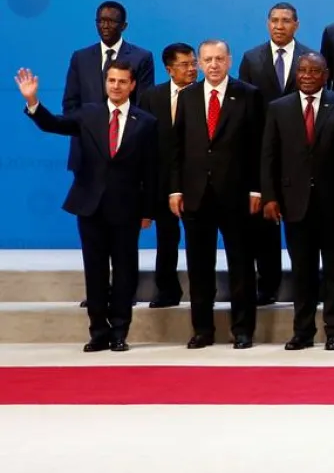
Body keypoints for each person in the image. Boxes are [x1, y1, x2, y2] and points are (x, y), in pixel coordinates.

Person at [16, 63, 156, 352]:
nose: (116, 86)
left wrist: (147, 210)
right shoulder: (88, 114)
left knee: (125, 271)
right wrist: (32, 101)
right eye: (112, 80)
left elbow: (151, 172)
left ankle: (119, 331)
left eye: (122, 81)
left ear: (132, 86)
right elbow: (54, 124)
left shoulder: (146, 122)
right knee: (95, 271)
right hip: (90, 206)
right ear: (106, 83)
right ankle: (98, 332)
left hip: (127, 209)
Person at [168, 40, 265, 349]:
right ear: (199, 62)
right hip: (196, 195)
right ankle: (202, 330)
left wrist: (256, 188)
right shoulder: (188, 97)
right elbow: (177, 148)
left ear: (229, 60)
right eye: (207, 59)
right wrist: (175, 188)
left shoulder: (248, 95)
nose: (213, 65)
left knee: (241, 266)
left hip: (237, 195)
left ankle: (243, 331)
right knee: (199, 267)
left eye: (219, 59)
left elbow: (259, 148)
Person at [260, 53, 334, 351]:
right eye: (302, 70)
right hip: (294, 204)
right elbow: (269, 157)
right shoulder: (278, 108)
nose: (306, 75)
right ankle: (302, 332)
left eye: (313, 71)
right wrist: (270, 197)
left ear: (326, 74)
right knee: (302, 273)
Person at [239, 2, 313, 306]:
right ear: (267, 23)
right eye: (274, 21)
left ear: (296, 24)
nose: (279, 26)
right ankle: (267, 283)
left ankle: (305, 285)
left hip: (301, 152)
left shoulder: (309, 58)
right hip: (262, 149)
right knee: (265, 222)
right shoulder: (251, 58)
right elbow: (243, 106)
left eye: (285, 21)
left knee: (303, 223)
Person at [135, 42, 196, 308]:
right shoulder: (152, 97)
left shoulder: (207, 94)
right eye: (185, 65)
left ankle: (202, 289)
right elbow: (144, 140)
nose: (192, 69)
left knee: (197, 239)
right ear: (169, 69)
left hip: (196, 178)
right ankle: (167, 289)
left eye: (193, 63)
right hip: (161, 179)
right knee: (166, 238)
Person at [62, 1, 155, 175]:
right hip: (87, 152)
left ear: (124, 26)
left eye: (111, 21)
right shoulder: (80, 57)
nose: (105, 26)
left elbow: (144, 103)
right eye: (101, 21)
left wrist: (125, 137)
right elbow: (70, 103)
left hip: (126, 151)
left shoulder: (141, 57)